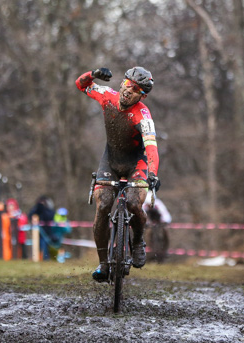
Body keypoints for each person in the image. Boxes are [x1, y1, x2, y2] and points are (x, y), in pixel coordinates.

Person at [76, 66, 160, 281]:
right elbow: (80, 84)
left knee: (133, 202)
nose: (127, 90)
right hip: (111, 161)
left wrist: (153, 174)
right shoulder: (107, 96)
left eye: (135, 89)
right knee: (103, 204)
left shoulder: (143, 115)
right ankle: (103, 263)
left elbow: (151, 149)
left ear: (142, 95)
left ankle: (138, 240)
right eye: (126, 84)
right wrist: (93, 74)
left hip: (137, 164)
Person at [28, 195, 56, 260]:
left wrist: (43, 209)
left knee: (44, 246)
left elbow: (50, 217)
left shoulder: (49, 209)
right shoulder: (36, 208)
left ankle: (46, 259)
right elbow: (30, 216)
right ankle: (35, 258)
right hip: (37, 232)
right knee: (36, 246)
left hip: (46, 232)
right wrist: (38, 209)